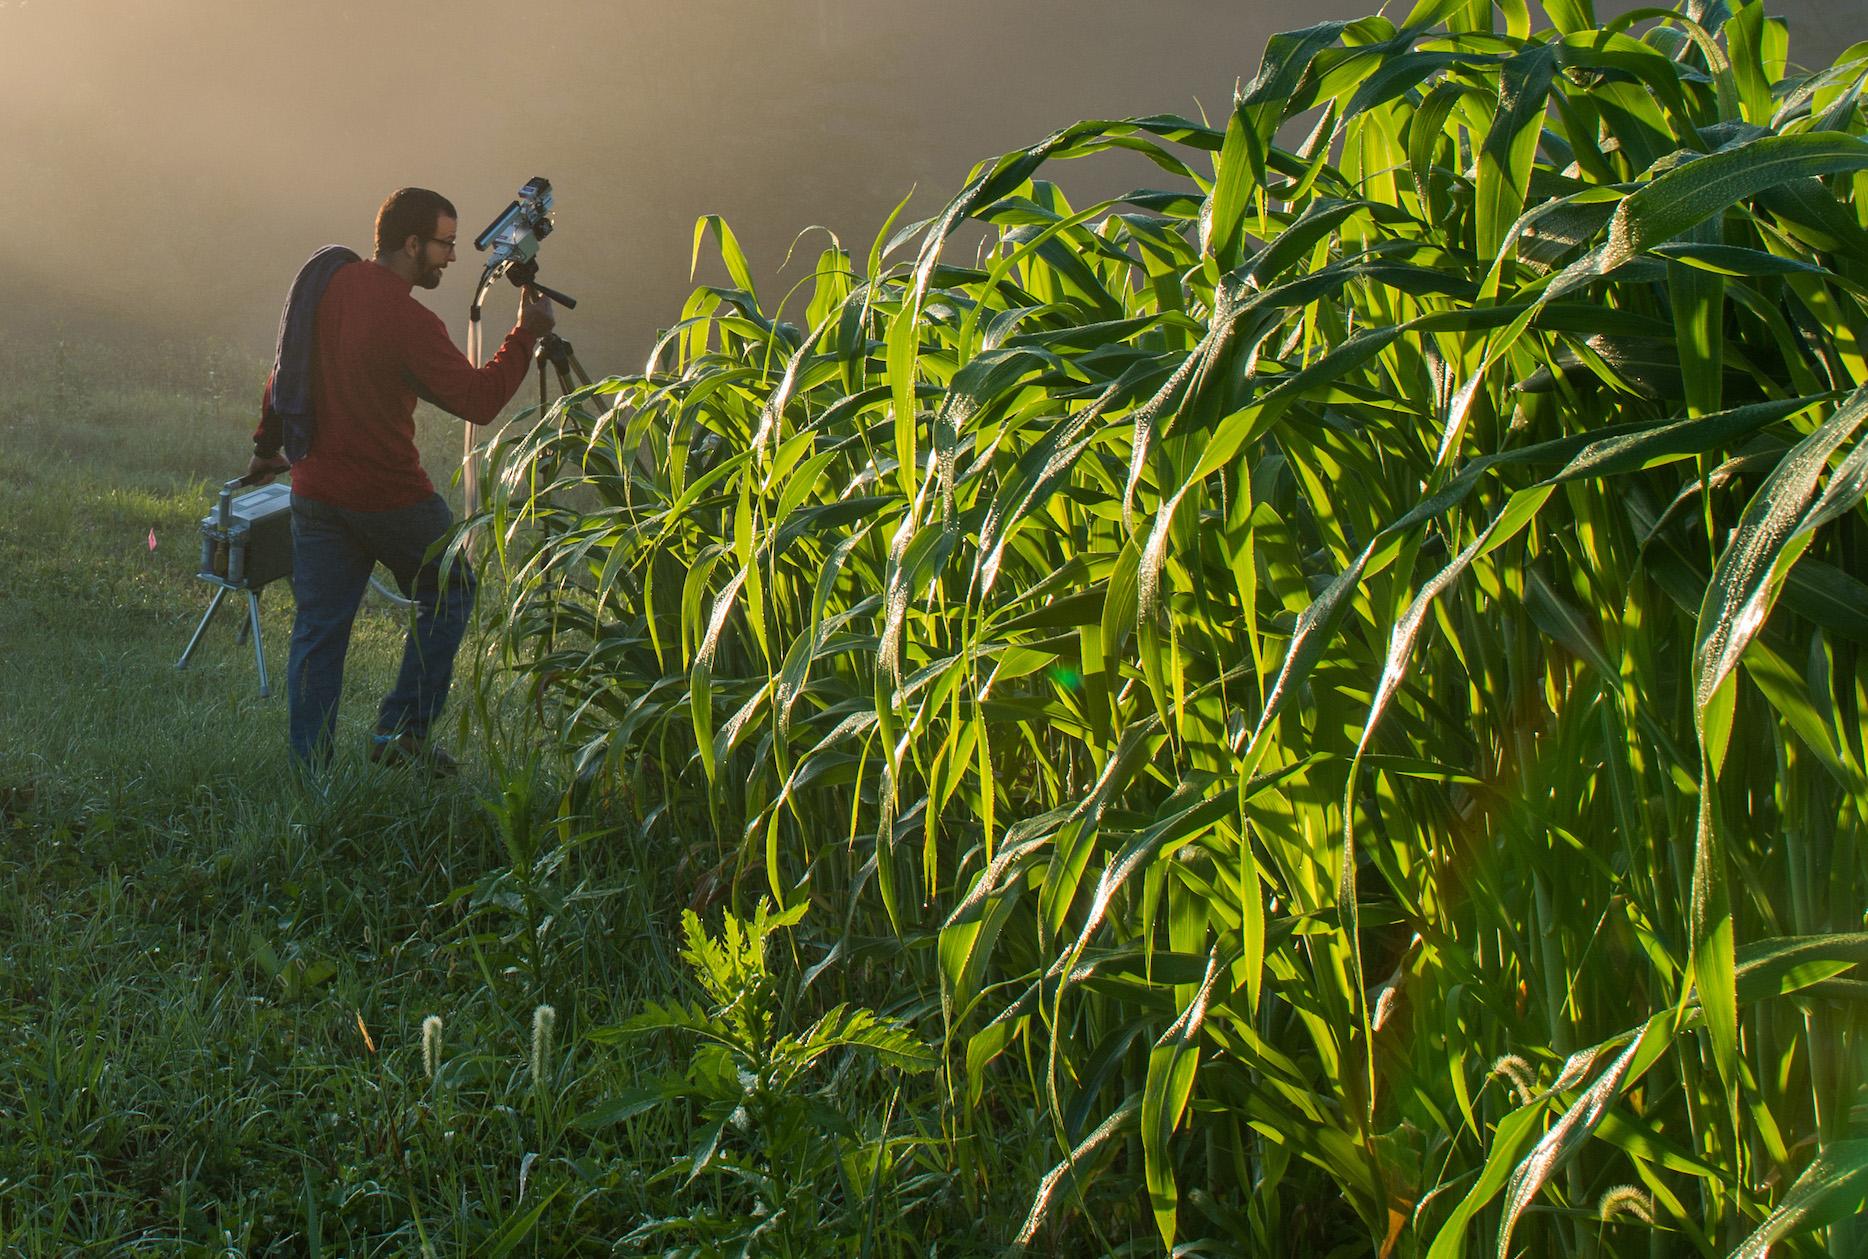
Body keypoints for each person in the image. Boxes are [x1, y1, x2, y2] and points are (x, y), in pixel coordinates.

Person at [246, 187, 555, 775]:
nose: (453, 258)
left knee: (318, 631)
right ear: (412, 243)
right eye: (445, 244)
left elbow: (285, 371)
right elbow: (478, 401)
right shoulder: (408, 320)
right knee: (453, 589)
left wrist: (268, 448)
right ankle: (402, 734)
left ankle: (309, 774)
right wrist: (526, 335)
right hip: (389, 498)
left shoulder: (328, 285)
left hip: (315, 492)